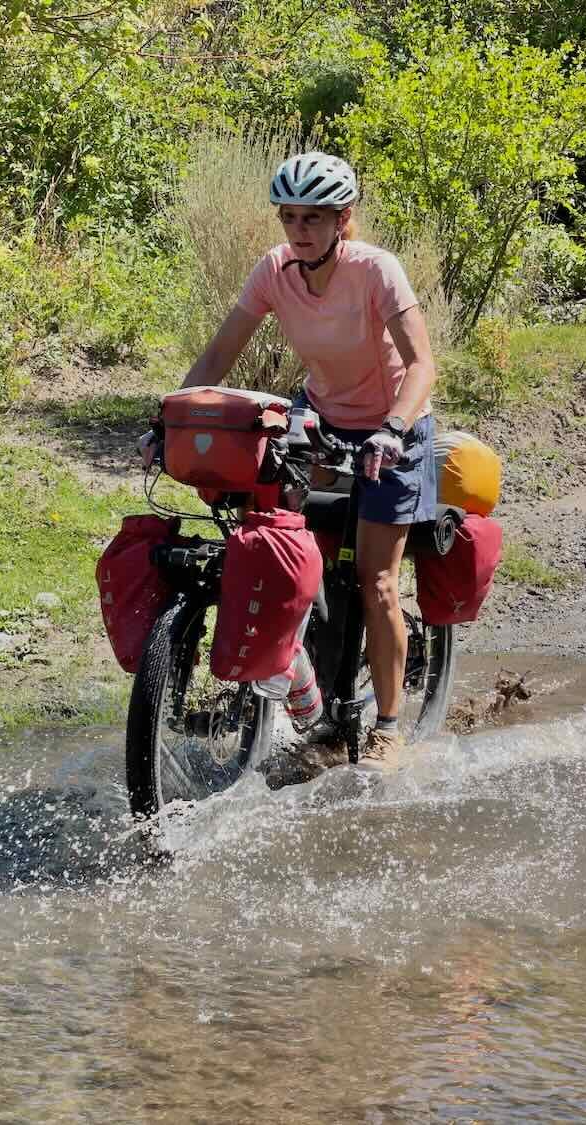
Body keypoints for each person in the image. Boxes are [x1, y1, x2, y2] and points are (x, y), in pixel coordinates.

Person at [177, 151, 439, 767]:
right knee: (286, 548)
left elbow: (423, 365)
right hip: (319, 420)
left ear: (343, 220)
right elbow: (219, 356)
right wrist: (176, 415)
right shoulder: (275, 269)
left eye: (314, 219)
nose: (299, 230)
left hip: (393, 430)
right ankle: (304, 687)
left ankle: (389, 726)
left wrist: (394, 429)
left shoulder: (377, 271)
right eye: (290, 217)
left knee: (376, 581)